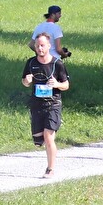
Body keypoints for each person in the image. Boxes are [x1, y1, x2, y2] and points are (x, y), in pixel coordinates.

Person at [23, 33, 70, 179]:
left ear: (49, 46)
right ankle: (45, 141)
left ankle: (50, 169)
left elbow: (66, 85)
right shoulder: (31, 63)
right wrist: (27, 80)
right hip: (37, 104)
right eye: (37, 46)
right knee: (38, 141)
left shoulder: (57, 64)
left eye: (42, 45)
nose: (40, 48)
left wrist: (57, 84)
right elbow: (24, 82)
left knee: (48, 136)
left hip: (53, 104)